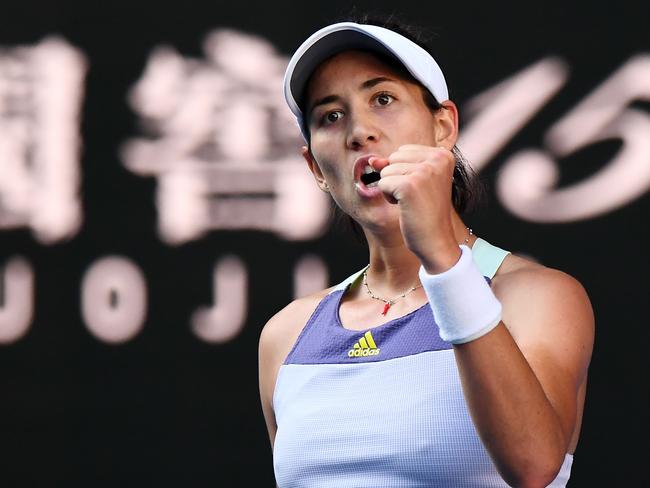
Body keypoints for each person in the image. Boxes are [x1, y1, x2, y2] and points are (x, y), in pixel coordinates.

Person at [259, 17, 594, 488]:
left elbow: (534, 466)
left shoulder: (537, 296)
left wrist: (442, 257)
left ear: (443, 126)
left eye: (383, 99)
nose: (359, 131)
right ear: (315, 165)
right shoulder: (287, 334)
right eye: (330, 115)